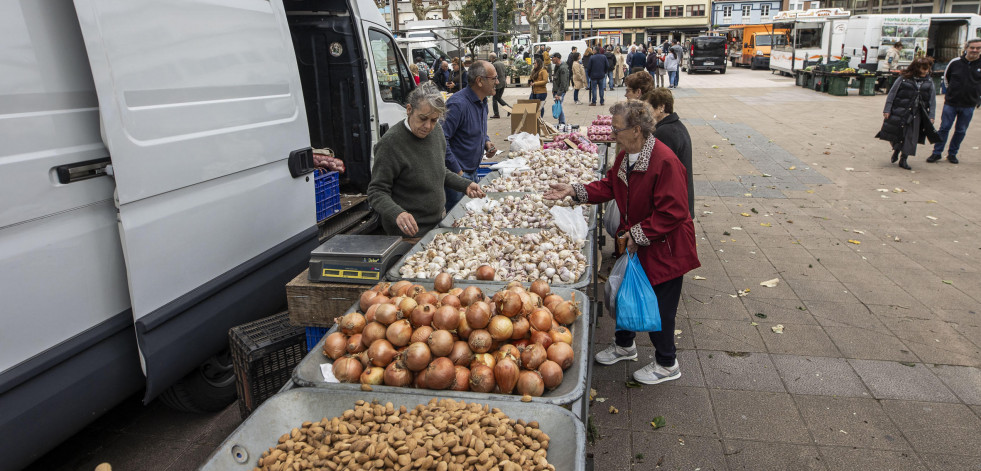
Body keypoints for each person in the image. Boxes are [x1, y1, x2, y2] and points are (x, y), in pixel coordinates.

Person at [544, 99, 699, 385]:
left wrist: (638, 234)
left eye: (616, 130)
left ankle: (667, 362)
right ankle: (624, 345)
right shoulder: (627, 156)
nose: (612, 136)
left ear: (637, 130)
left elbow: (674, 210)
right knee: (625, 293)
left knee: (659, 304)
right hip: (640, 240)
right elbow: (610, 186)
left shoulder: (664, 161)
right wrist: (575, 190)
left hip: (667, 248)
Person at [368, 83, 485, 237]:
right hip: (408, 234)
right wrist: (397, 213)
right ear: (409, 110)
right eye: (423, 118)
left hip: (436, 225)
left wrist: (465, 184)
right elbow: (376, 191)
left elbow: (438, 169)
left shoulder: (436, 131)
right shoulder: (390, 144)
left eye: (434, 120)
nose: (428, 126)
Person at [442, 60, 498, 211]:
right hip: (458, 176)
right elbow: (441, 140)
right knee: (457, 218)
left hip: (473, 171)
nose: (497, 82)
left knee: (471, 214)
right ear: (480, 81)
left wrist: (486, 142)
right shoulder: (457, 104)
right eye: (494, 78)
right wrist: (458, 172)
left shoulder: (482, 101)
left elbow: (478, 130)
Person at [876, 57, 938, 170]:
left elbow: (932, 100)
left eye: (927, 69)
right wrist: (887, 109)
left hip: (917, 113)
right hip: (900, 110)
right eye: (922, 69)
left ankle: (904, 158)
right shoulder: (904, 78)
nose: (924, 72)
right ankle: (896, 149)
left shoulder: (929, 82)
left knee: (911, 136)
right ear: (916, 68)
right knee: (895, 133)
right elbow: (892, 93)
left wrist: (931, 115)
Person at [927, 38, 981, 164]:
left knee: (961, 130)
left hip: (969, 104)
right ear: (966, 48)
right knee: (944, 128)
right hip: (951, 103)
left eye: (978, 48)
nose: (975, 50)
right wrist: (950, 93)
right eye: (972, 47)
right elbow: (946, 79)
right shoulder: (955, 62)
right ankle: (937, 153)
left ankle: (952, 154)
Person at [645, 87, 694, 219]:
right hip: (679, 201)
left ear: (661, 107)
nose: (646, 112)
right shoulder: (674, 126)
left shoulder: (665, 132)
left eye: (648, 107)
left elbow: (660, 169)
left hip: (674, 204)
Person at [551, 52, 570, 125]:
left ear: (557, 58)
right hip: (556, 90)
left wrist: (559, 93)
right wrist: (553, 90)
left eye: (553, 58)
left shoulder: (563, 68)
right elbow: (556, 80)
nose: (552, 59)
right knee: (558, 105)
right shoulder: (557, 66)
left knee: (559, 106)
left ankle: (562, 122)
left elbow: (563, 82)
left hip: (560, 91)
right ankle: (561, 122)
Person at [490, 52, 510, 118]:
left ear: (492, 58)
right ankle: (509, 109)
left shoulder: (494, 65)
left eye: (490, 58)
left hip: (498, 84)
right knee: (498, 98)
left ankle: (497, 114)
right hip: (503, 83)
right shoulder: (501, 63)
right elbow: (505, 73)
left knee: (495, 99)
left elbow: (493, 75)